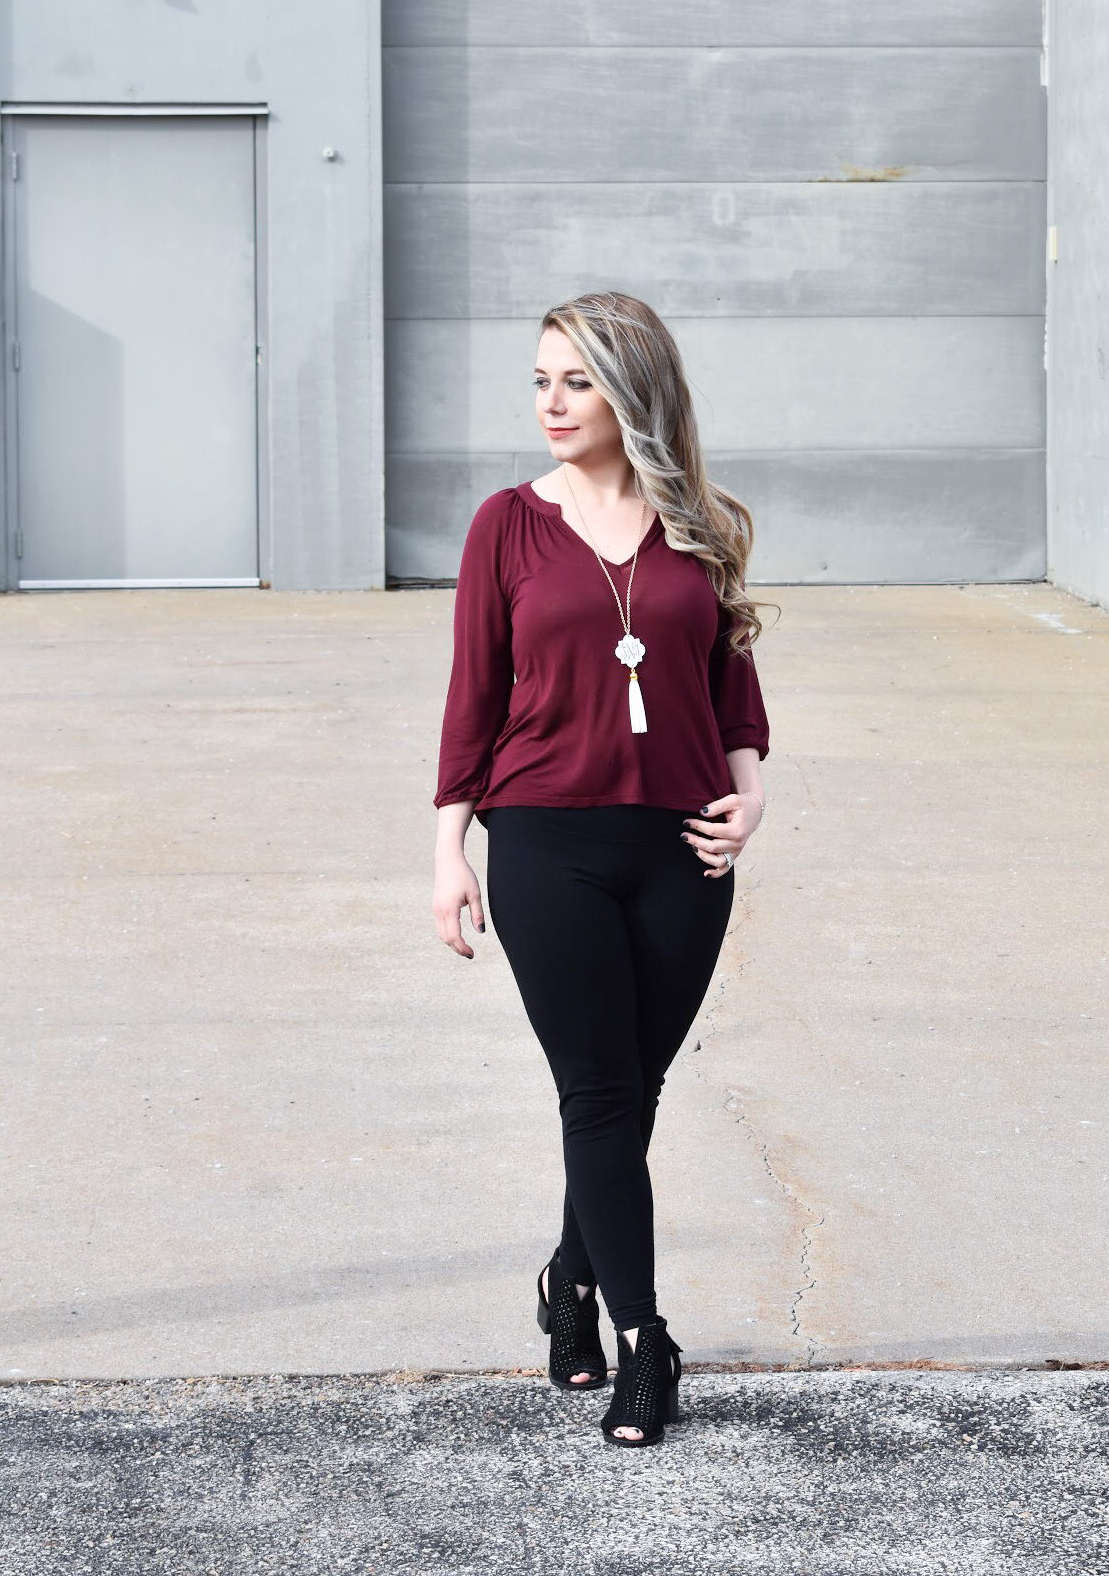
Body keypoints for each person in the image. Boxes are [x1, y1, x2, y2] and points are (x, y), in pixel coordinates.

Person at [431, 291, 773, 1448]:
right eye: (540, 381)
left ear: (633, 392)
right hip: (545, 841)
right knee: (602, 1092)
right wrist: (449, 850)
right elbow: (473, 693)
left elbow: (731, 683)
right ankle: (646, 1340)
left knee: (636, 1088)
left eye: (575, 381)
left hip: (685, 846)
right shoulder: (506, 526)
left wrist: (753, 787)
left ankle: (569, 1282)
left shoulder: (704, 524)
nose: (551, 404)